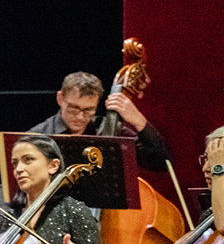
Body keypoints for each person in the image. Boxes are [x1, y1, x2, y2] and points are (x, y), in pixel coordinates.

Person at [29, 71, 170, 171]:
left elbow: (162, 163)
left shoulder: (109, 130)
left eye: (89, 110)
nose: (80, 117)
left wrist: (139, 120)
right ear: (60, 99)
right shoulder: (37, 136)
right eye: (74, 108)